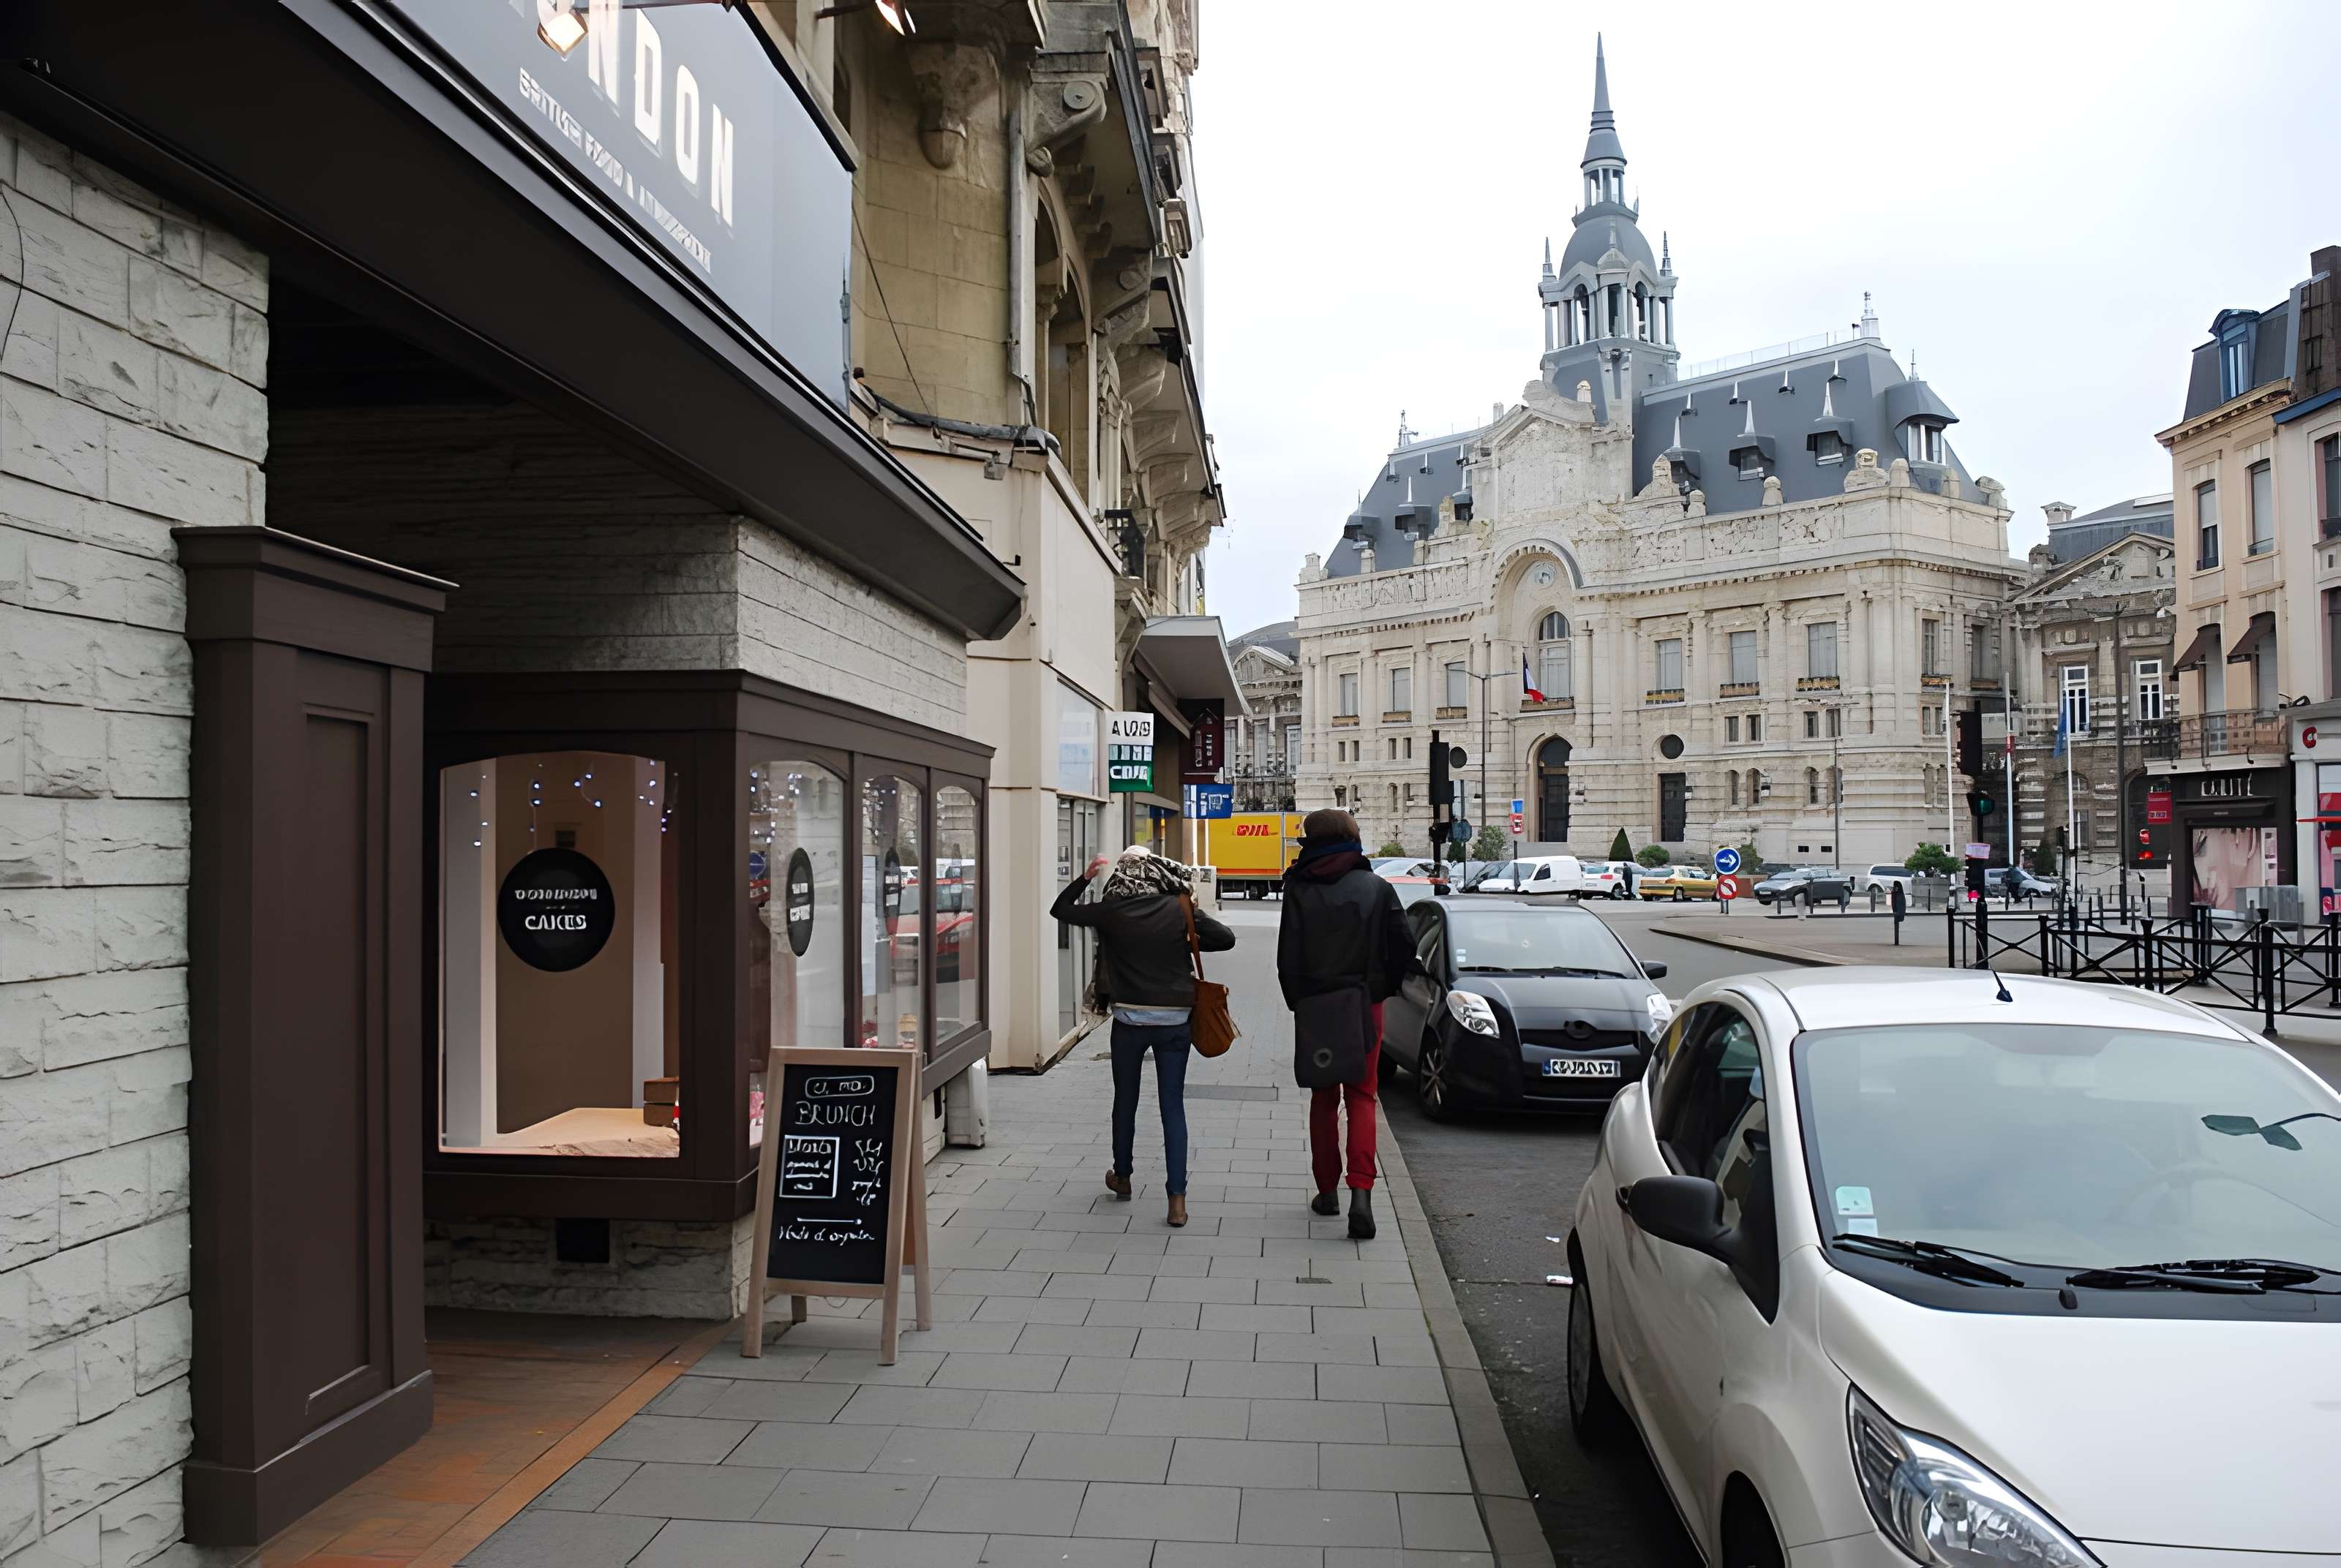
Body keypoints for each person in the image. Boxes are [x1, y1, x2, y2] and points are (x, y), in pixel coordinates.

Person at [1051, 845, 1233, 1228]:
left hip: (1130, 1020)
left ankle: (1123, 1177)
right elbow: (1224, 938)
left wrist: (1085, 878)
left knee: (1126, 1099)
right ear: (1154, 871)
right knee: (1173, 1106)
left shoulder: (1111, 912)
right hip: (1175, 1020)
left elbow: (1061, 910)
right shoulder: (1178, 907)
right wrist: (1185, 938)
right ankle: (1177, 1201)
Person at [1277, 809, 1416, 1240]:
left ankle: (1327, 1192)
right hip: (1364, 1004)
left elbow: (1289, 954)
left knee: (1324, 1096)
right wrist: (1381, 988)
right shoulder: (1377, 888)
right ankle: (1362, 1194)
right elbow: (1404, 949)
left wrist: (1298, 1002)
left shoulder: (1298, 888)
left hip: (1317, 1005)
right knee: (1363, 1096)